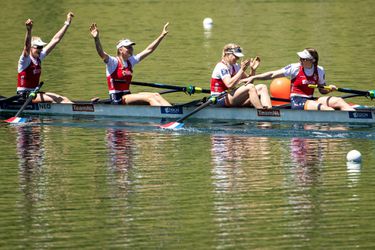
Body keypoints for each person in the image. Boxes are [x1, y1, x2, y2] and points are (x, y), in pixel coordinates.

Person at [244, 48, 355, 111]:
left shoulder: (320, 70)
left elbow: (322, 90)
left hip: (310, 99)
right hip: (297, 102)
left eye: (303, 58)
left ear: (312, 61)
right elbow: (272, 74)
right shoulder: (295, 68)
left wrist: (329, 89)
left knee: (338, 101)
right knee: (326, 109)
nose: (300, 60)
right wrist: (254, 76)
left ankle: (356, 117)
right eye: (300, 58)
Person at [89, 23, 171, 106]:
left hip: (127, 96)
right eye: (128, 47)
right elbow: (101, 53)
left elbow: (149, 50)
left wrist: (162, 35)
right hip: (117, 99)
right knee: (149, 97)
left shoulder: (131, 61)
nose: (131, 49)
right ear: (120, 50)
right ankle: (165, 113)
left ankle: (172, 110)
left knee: (155, 95)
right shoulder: (113, 62)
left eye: (131, 47)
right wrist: (96, 38)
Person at [17, 12, 74, 103]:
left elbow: (55, 40)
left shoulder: (39, 57)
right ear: (31, 48)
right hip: (24, 96)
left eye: (41, 47)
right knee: (53, 100)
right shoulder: (25, 60)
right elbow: (26, 46)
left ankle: (78, 108)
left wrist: (67, 23)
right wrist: (29, 30)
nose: (40, 50)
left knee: (63, 98)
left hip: (34, 93)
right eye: (38, 47)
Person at [210, 43, 272, 109]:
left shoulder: (235, 66)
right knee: (250, 87)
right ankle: (261, 111)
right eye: (235, 56)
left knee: (262, 87)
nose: (238, 58)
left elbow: (249, 82)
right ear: (227, 54)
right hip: (219, 99)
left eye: (238, 57)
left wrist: (253, 70)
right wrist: (242, 70)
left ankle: (270, 112)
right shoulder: (221, 66)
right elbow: (229, 84)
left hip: (230, 97)